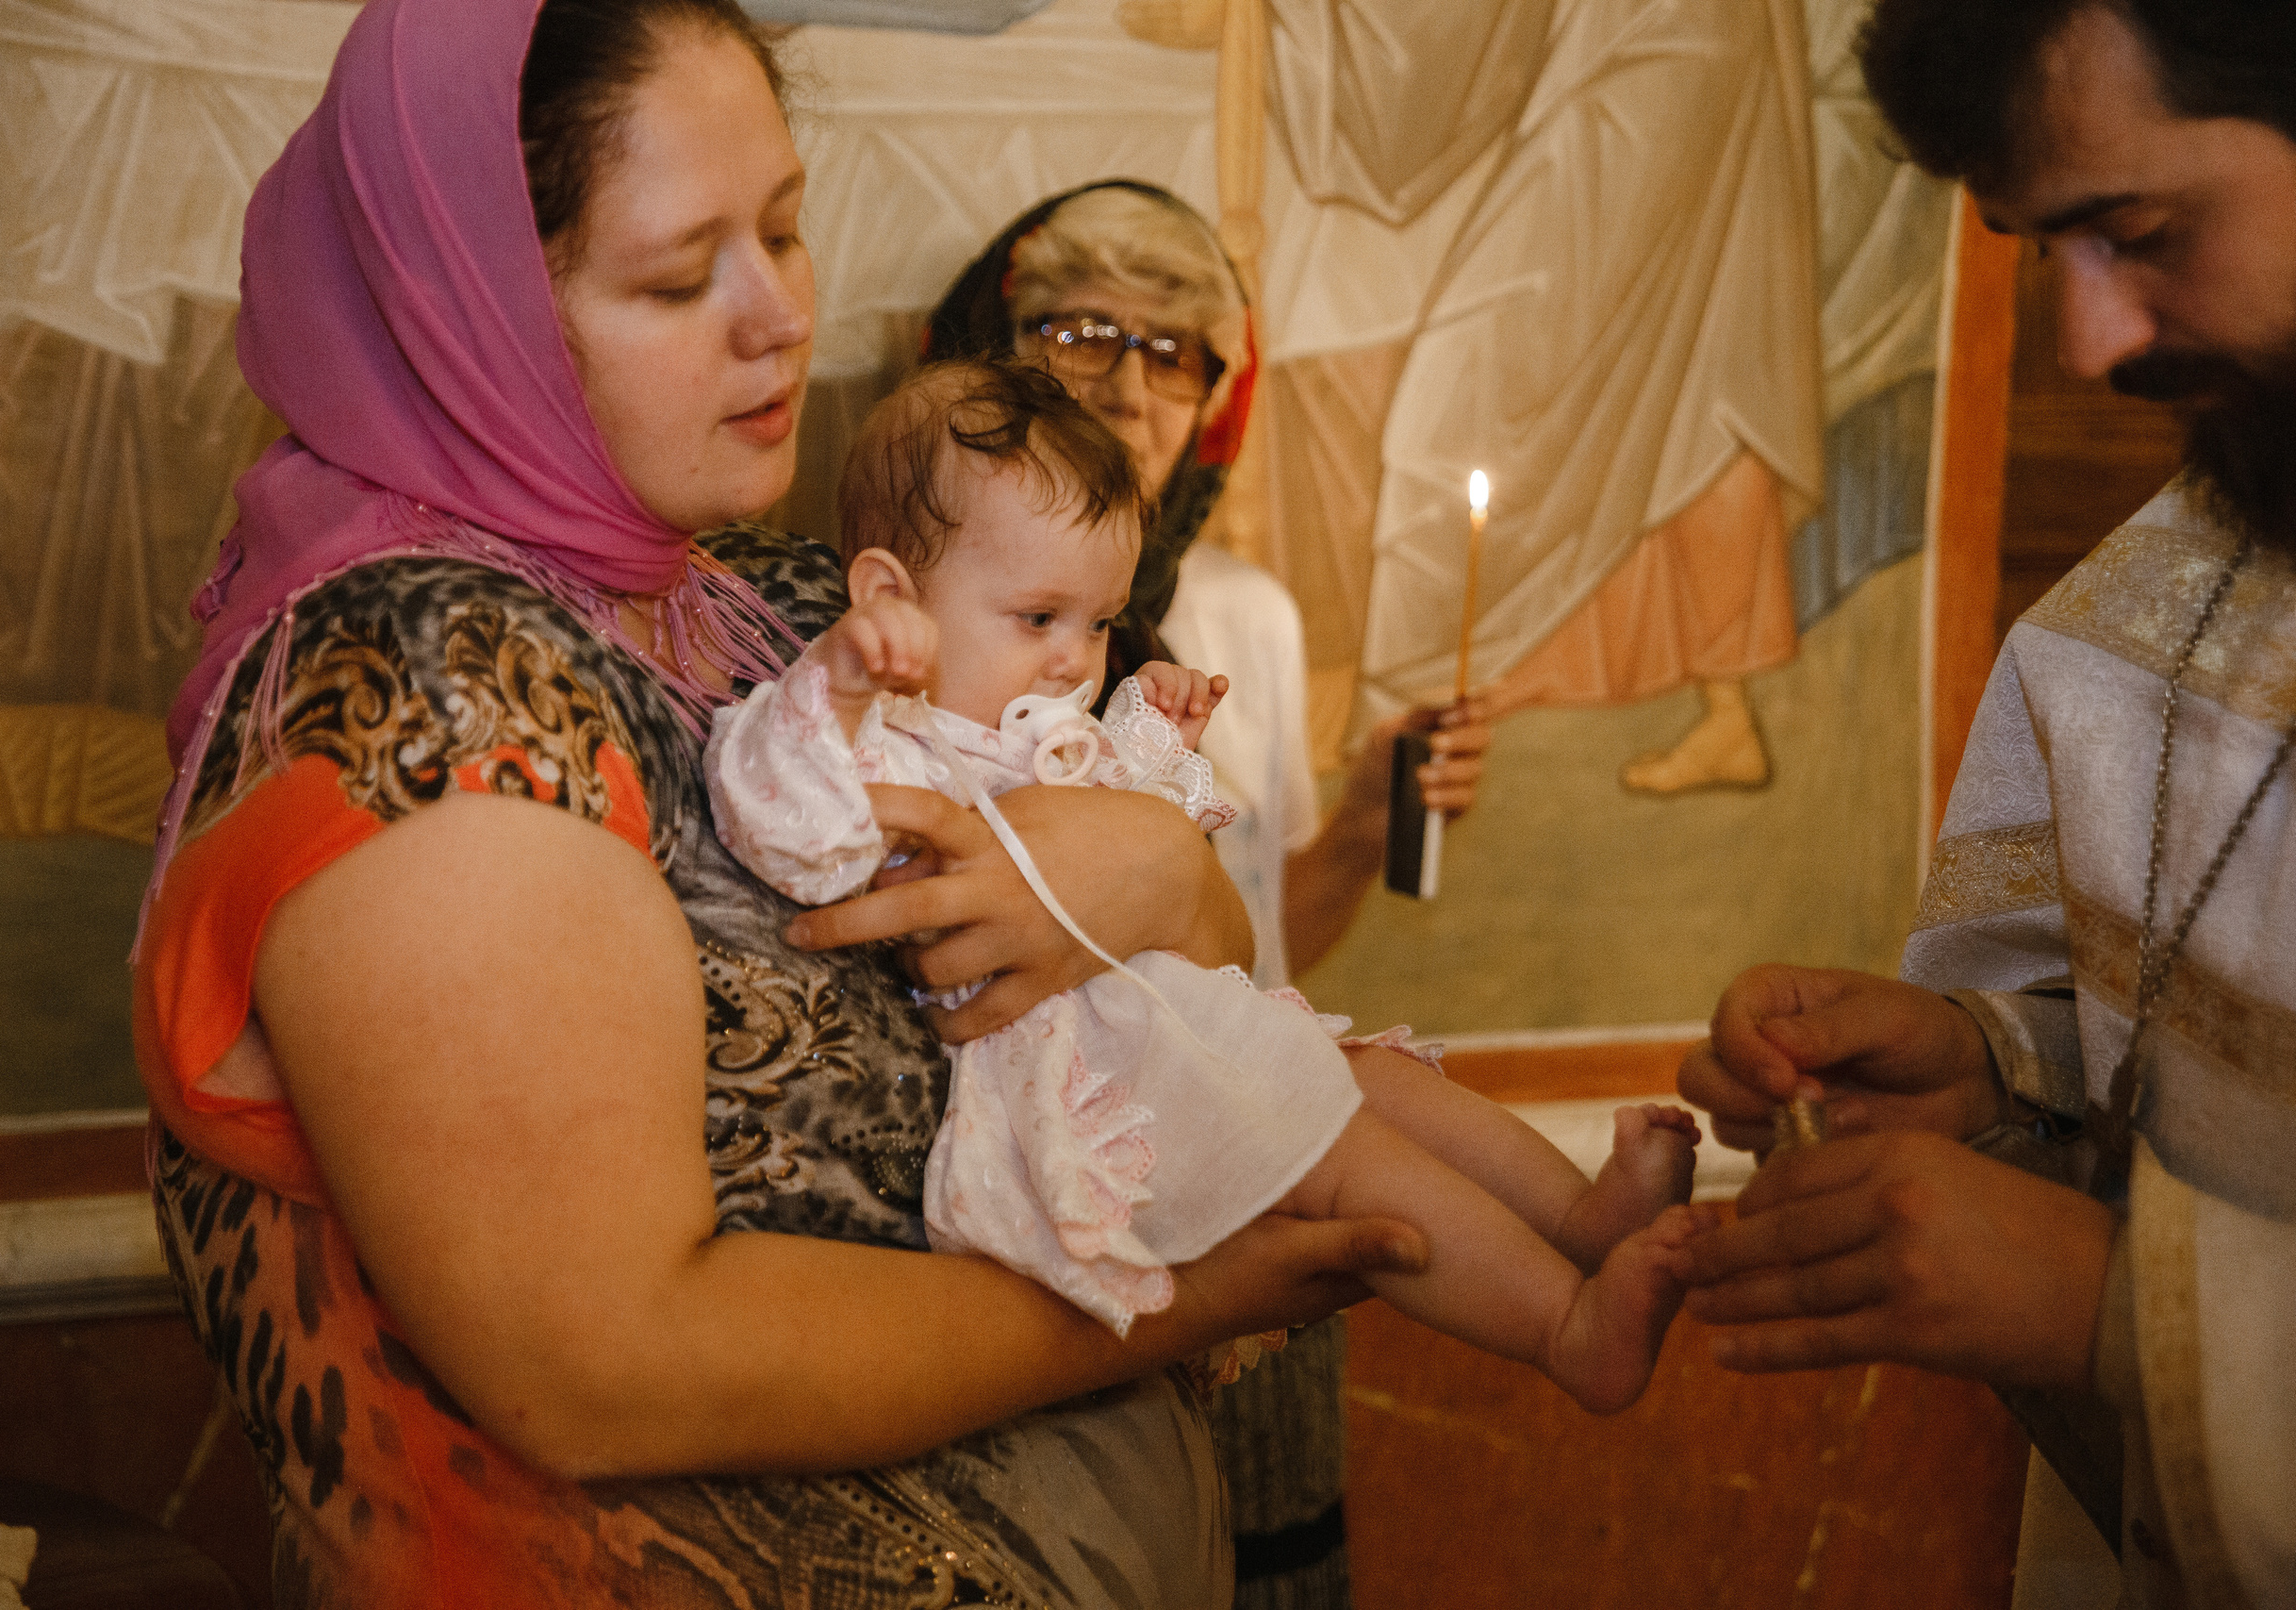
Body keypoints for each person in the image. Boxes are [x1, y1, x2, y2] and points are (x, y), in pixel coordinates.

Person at [126, 1, 1431, 1603]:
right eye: (681, 275)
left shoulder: (766, 597)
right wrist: (1180, 1288)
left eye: (791, 229)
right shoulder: (429, 693)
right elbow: (609, 1362)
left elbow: (1188, 932)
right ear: (467, 305)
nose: (778, 317)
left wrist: (1162, 865)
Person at [707, 355, 1709, 1405]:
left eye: (1098, 624)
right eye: (1039, 617)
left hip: (1167, 1025)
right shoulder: (891, 738)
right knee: (1348, 1168)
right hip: (1083, 1079)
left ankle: (1577, 1219)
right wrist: (843, 681)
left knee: (1384, 1084)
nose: (1072, 660)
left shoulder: (1037, 724)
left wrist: (1152, 743)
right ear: (887, 596)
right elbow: (783, 821)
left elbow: (1151, 874)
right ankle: (1564, 1328)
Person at [1669, 4, 2296, 1606]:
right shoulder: (2186, 570)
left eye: (2138, 230)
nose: (2088, 342)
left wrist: (2110, 1302)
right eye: (2041, 249)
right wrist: (1999, 1078)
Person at [925, 181, 1492, 1606]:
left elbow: (1260, 938)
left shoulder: (1245, 618)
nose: (1128, 383)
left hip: (1260, 1176)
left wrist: (1366, 818)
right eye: (1081, 328)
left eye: (1175, 350)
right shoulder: (928, 626)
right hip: (1064, 1223)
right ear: (991, 349)